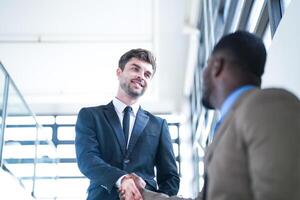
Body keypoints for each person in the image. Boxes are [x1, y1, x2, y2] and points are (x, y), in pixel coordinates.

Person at [142, 31, 300, 200]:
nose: (203, 75)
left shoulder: (269, 105)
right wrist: (143, 193)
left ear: (217, 65)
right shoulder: (228, 125)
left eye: (207, 65)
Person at [75, 48, 180, 200]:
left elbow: (170, 177)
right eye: (135, 69)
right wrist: (122, 179)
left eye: (147, 74)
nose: (141, 76)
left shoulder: (159, 125)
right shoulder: (90, 116)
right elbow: (87, 160)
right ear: (119, 72)